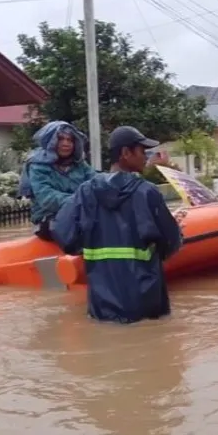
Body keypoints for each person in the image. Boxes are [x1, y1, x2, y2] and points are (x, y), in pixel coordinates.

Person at [51, 126, 183, 324]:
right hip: (145, 304)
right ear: (125, 153)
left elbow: (63, 233)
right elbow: (172, 243)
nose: (145, 156)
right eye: (141, 150)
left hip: (101, 306)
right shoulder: (147, 193)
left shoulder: (85, 192)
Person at [18, 121, 96, 240]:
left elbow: (96, 183)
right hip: (48, 219)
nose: (66, 144)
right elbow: (47, 198)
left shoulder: (80, 165)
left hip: (79, 215)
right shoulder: (38, 165)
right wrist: (79, 201)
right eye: (60, 139)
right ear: (51, 141)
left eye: (70, 140)